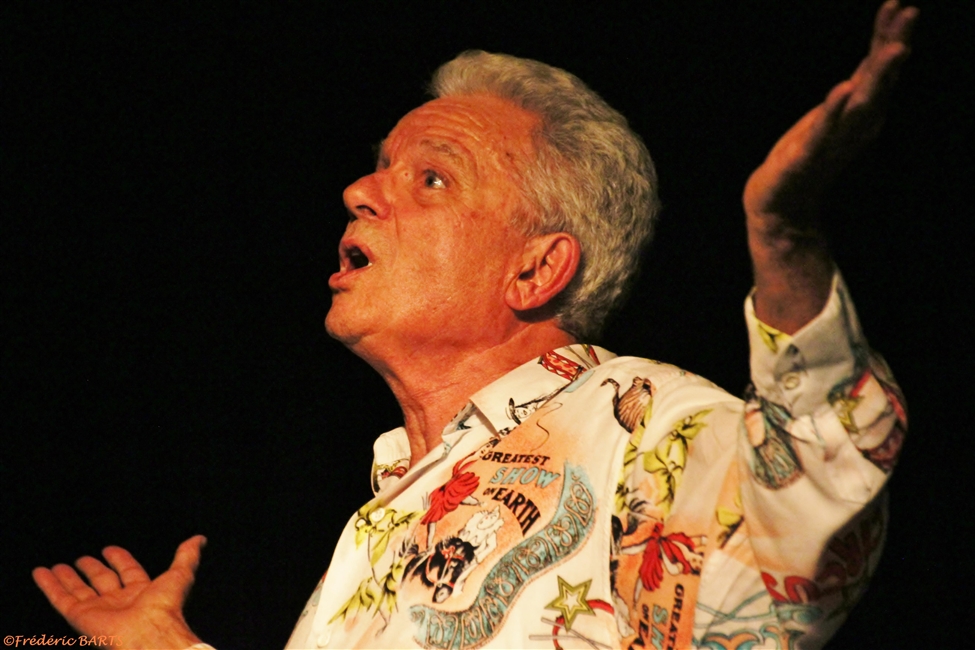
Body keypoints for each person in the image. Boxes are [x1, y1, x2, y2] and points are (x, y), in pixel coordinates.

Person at [32, 2, 917, 648]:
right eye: (380, 168)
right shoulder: (381, 517)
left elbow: (807, 512)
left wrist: (783, 238)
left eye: (432, 179)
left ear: (534, 269)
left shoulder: (630, 418)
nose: (358, 191)